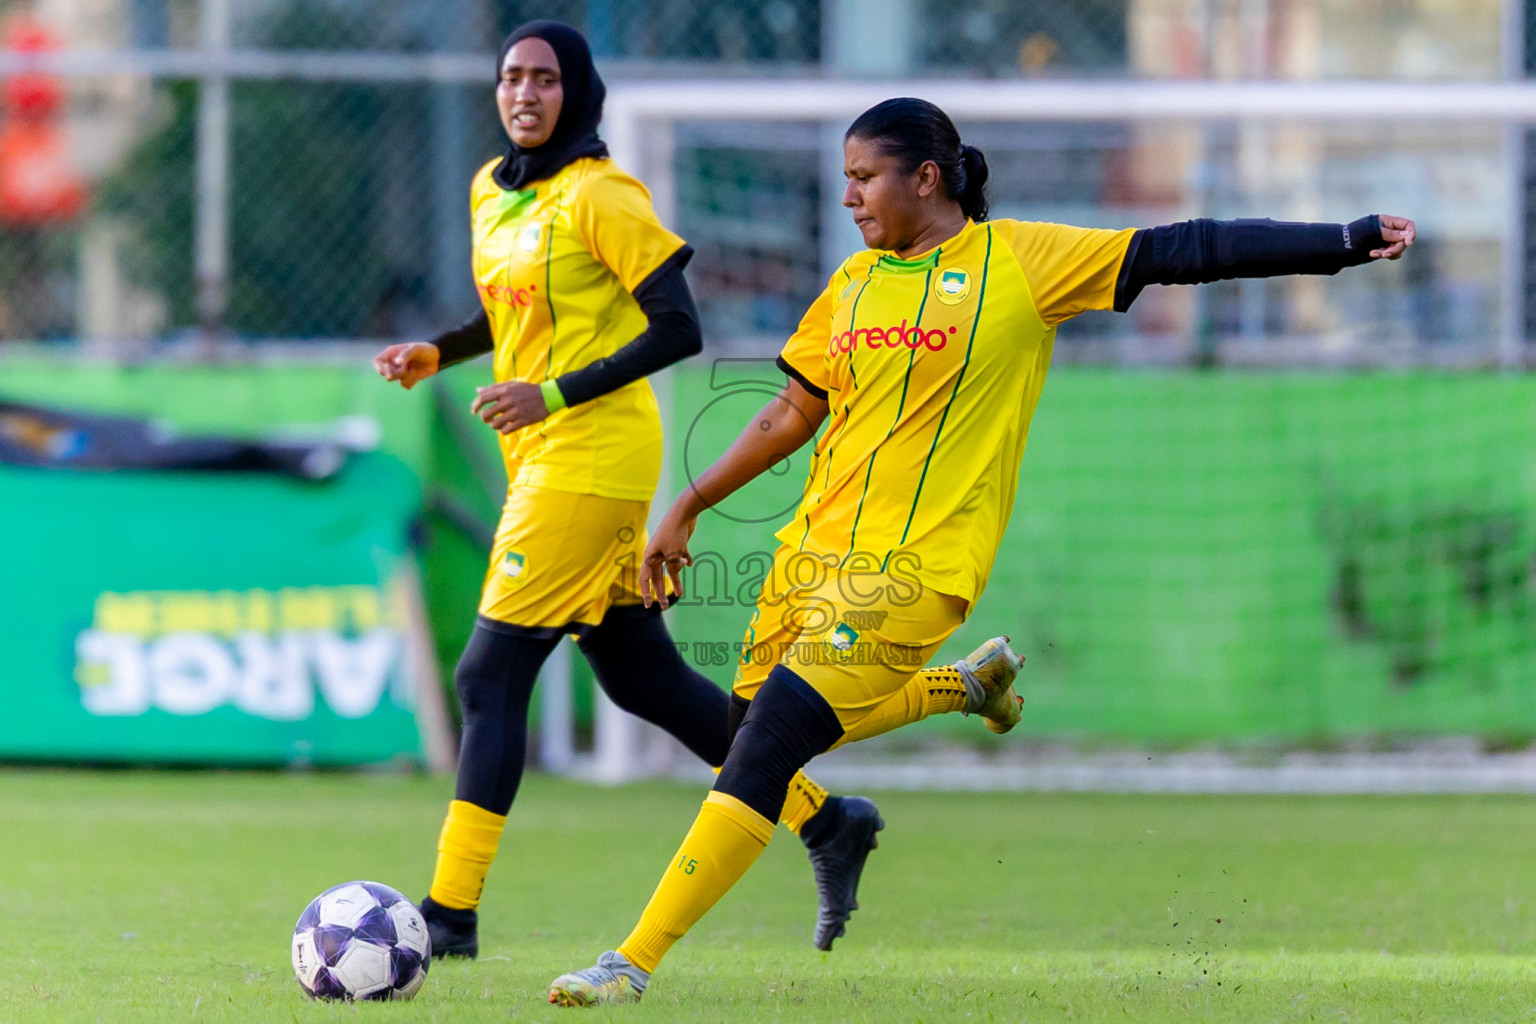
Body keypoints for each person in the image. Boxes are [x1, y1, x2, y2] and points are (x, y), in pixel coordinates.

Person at [546, 96, 1416, 1006]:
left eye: (864, 177)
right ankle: (965, 687)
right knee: (748, 738)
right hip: (809, 560)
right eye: (844, 179)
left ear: (927, 178)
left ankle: (628, 965)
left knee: (762, 756)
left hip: (916, 573)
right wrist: (688, 504)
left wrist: (1341, 240)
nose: (848, 197)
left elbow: (1186, 248)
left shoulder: (1021, 263)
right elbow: (792, 411)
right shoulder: (852, 283)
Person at [372, 29, 1020, 960]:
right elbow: (513, 309)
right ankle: (826, 819)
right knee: (644, 679)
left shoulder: (602, 193)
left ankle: (449, 917)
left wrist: (552, 393)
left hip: (590, 456)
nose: (525, 93)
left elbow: (678, 326)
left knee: (487, 674)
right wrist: (442, 350)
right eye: (511, 76)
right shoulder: (491, 188)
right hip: (536, 451)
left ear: (577, 91)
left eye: (546, 79)